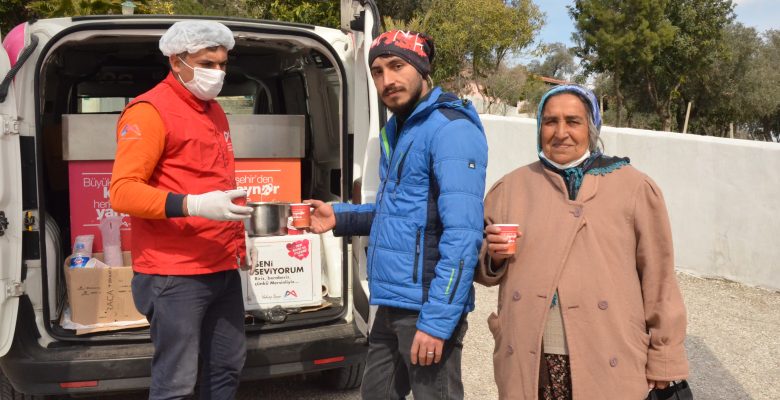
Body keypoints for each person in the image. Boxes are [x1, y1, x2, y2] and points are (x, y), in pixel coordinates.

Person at [476, 84, 689, 399]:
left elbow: (660, 281)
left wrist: (665, 357)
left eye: (572, 121)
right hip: (531, 355)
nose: (560, 132)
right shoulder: (510, 188)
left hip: (605, 351)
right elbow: (481, 265)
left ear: (591, 128)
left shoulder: (634, 187)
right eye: (550, 121)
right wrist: (492, 256)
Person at [307, 30, 488, 399]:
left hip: (425, 303)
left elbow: (464, 234)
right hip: (391, 301)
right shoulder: (401, 128)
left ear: (421, 69)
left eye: (397, 66)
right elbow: (402, 214)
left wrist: (437, 323)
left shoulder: (451, 129)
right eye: (377, 71)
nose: (387, 80)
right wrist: (339, 217)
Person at [109, 20, 252, 400]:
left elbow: (212, 178)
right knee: (176, 382)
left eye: (223, 64)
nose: (217, 72)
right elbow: (122, 193)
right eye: (208, 63)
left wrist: (239, 241)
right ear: (177, 61)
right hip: (174, 274)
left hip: (221, 266)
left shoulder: (213, 110)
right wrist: (193, 204)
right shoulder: (149, 111)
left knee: (226, 367)